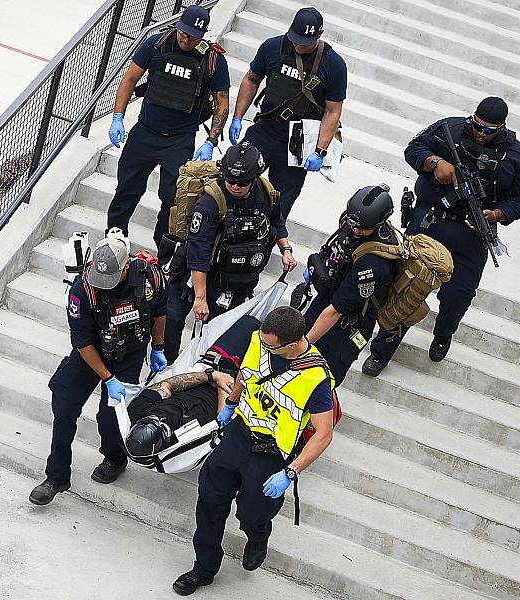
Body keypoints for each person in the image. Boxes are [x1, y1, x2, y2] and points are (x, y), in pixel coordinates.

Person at [362, 97, 520, 374]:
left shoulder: (516, 157)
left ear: (502, 128)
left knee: (458, 295)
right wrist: (434, 163)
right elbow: (414, 148)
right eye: (478, 126)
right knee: (405, 287)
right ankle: (382, 350)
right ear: (472, 119)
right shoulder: (451, 129)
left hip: (472, 232)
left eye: (489, 130)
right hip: (430, 221)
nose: (481, 134)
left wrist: (497, 214)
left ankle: (444, 334)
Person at [172, 306, 335, 596]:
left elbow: (323, 435)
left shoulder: (317, 378)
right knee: (210, 499)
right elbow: (247, 375)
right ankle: (203, 568)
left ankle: (257, 535)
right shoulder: (259, 340)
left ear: (293, 343)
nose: (265, 346)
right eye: (264, 340)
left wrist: (290, 471)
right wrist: (231, 404)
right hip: (240, 433)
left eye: (272, 345)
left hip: (271, 454)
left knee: (253, 512)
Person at [29, 237, 168, 505]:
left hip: (129, 353)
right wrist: (108, 378)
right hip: (92, 352)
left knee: (110, 416)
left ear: (127, 265)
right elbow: (82, 342)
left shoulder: (150, 277)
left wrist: (158, 347)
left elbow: (160, 313)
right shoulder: (83, 290)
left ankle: (115, 458)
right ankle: (56, 477)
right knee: (65, 406)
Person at [107, 4, 231, 248]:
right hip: (145, 132)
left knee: (173, 199)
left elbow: (222, 103)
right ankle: (114, 239)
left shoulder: (213, 60)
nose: (186, 39)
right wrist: (117, 117)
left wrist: (211, 141)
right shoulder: (156, 44)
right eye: (183, 32)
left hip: (179, 140)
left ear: (203, 34)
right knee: (126, 190)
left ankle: (163, 248)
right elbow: (130, 79)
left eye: (193, 36)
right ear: (178, 26)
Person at [165, 142, 296, 363]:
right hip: (197, 275)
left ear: (254, 179)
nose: (235, 186)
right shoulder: (210, 203)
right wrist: (200, 297)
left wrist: (286, 249)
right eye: (230, 180)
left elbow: (277, 221)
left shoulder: (266, 194)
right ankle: (167, 363)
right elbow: (198, 253)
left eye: (242, 182)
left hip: (234, 278)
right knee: (174, 318)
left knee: (219, 331)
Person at [227, 7, 347, 221]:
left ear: (319, 36)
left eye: (305, 41)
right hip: (264, 130)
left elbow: (333, 110)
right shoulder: (273, 47)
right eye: (296, 39)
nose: (299, 45)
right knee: (234, 178)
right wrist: (237, 117)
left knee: (278, 208)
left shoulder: (334, 65)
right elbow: (252, 78)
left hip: (297, 144)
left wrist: (319, 151)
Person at [126, 315, 262, 457]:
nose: (160, 419)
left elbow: (167, 385)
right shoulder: (179, 444)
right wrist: (225, 387)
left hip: (211, 369)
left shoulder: (137, 411)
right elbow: (220, 425)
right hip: (230, 394)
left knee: (250, 323)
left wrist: (212, 376)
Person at [302, 185, 397, 386]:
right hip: (328, 299)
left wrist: (305, 344)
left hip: (350, 322)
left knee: (322, 379)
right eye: (352, 223)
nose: (355, 230)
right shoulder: (355, 222)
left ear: (379, 223)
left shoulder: (374, 262)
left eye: (362, 228)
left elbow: (336, 311)